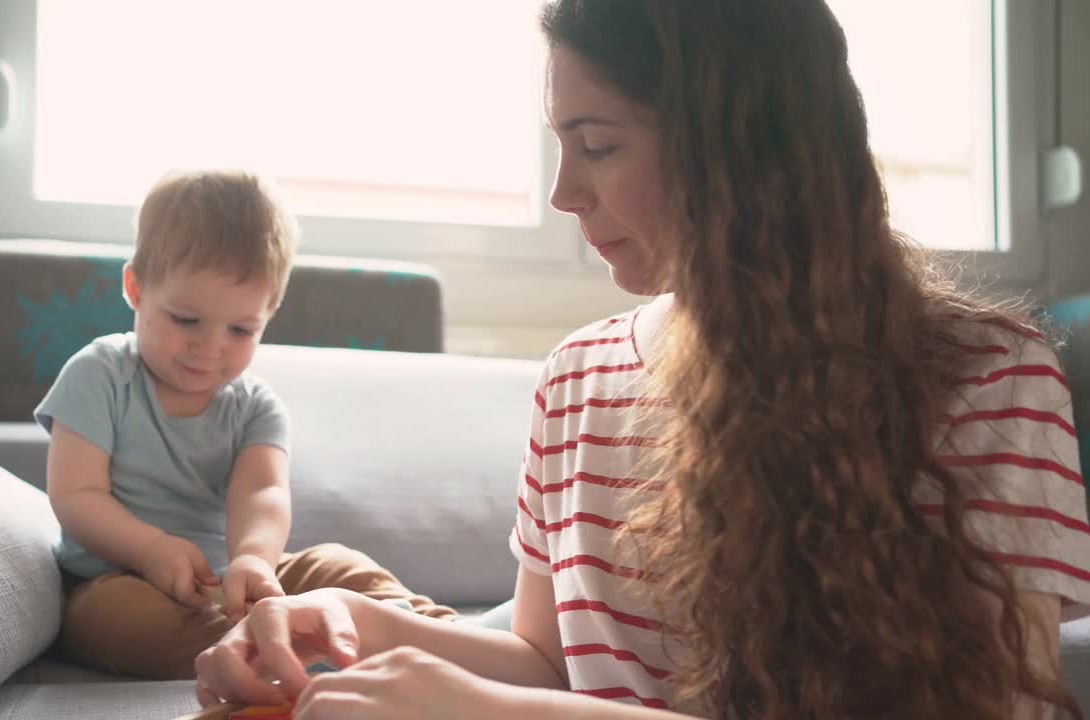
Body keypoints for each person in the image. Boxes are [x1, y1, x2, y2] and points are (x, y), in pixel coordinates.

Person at [192, 2, 1090, 717]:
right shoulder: (576, 378)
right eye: (561, 145)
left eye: (599, 145)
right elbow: (548, 661)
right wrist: (364, 626)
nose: (563, 193)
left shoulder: (983, 375)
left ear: (742, 145)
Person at [36, 169, 456, 680]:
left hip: (233, 578)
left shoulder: (257, 407)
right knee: (120, 620)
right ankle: (300, 642)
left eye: (240, 329)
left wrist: (254, 560)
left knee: (334, 563)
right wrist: (151, 550)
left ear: (268, 315)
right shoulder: (98, 374)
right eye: (186, 320)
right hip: (116, 579)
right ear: (136, 289)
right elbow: (76, 495)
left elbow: (261, 494)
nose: (209, 347)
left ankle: (445, 636)